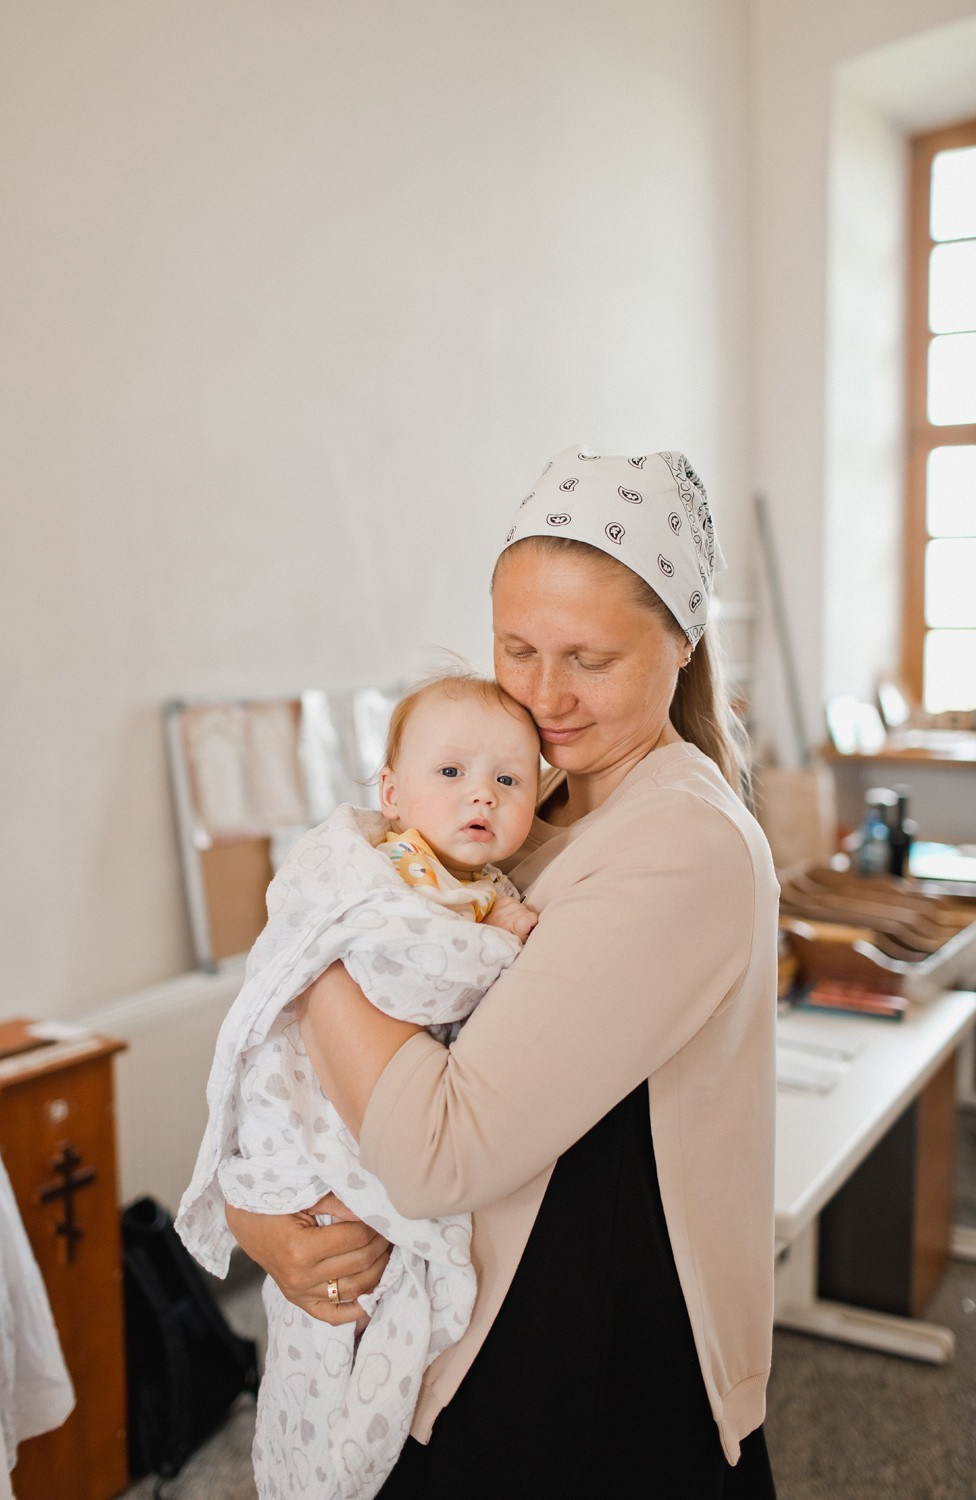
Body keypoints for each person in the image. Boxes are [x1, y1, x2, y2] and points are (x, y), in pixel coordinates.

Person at [227, 447, 780, 1498]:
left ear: (682, 643)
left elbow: (438, 1151)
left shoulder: (680, 842)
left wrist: (312, 926)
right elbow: (331, 1079)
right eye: (516, 648)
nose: (542, 695)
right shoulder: (524, 807)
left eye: (590, 659)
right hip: (463, 1318)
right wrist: (273, 1221)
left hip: (578, 1367)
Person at [176, 673, 542, 1500]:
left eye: (507, 780)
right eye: (450, 773)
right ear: (391, 793)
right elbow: (401, 978)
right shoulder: (390, 872)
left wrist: (494, 920)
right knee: (326, 1322)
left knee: (358, 1325)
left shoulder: (480, 887)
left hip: (389, 1125)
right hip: (312, 1124)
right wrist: (494, 946)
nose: (479, 794)